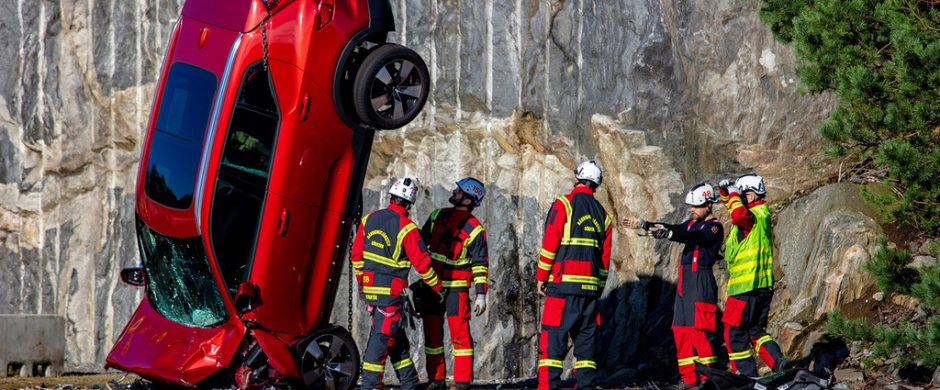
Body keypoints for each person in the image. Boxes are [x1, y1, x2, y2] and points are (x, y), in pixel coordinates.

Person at [627, 183, 724, 388]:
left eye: (696, 206)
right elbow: (675, 229)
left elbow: (694, 236)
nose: (692, 209)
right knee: (680, 330)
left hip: (700, 281)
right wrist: (646, 224)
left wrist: (669, 235)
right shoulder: (691, 224)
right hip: (685, 282)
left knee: (699, 331)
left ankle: (709, 379)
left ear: (708, 205)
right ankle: (688, 379)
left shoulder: (714, 227)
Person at [350, 177, 442, 390]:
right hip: (390, 298)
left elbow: (356, 256)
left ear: (390, 196)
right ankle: (370, 386)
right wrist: (439, 288)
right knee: (378, 346)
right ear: (409, 203)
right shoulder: (407, 228)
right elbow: (423, 265)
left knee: (397, 343)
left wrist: (363, 284)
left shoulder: (369, 219)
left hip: (371, 294)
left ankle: (410, 385)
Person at [535, 161, 613, 390]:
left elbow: (550, 243)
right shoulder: (603, 215)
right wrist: (597, 289)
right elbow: (604, 261)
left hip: (562, 286)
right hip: (589, 291)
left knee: (553, 339)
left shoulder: (564, 204)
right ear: (596, 184)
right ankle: (586, 385)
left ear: (578, 177)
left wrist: (542, 275)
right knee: (586, 343)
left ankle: (548, 386)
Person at [419, 177, 490, 390]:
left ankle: (462, 382)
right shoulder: (436, 215)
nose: (453, 191)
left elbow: (480, 264)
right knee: (432, 334)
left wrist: (480, 294)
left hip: (457, 289)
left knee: (459, 337)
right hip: (431, 285)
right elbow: (418, 246)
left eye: (458, 191)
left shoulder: (476, 229)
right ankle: (436, 379)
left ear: (468, 200)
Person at [717, 174, 787, 377]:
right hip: (761, 288)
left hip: (745, 288)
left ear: (752, 194)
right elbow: (734, 208)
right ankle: (779, 363)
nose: (739, 198)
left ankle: (745, 377)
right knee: (756, 332)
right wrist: (725, 192)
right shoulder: (759, 213)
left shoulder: (752, 215)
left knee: (734, 333)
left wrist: (731, 192)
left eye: (743, 194)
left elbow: (738, 215)